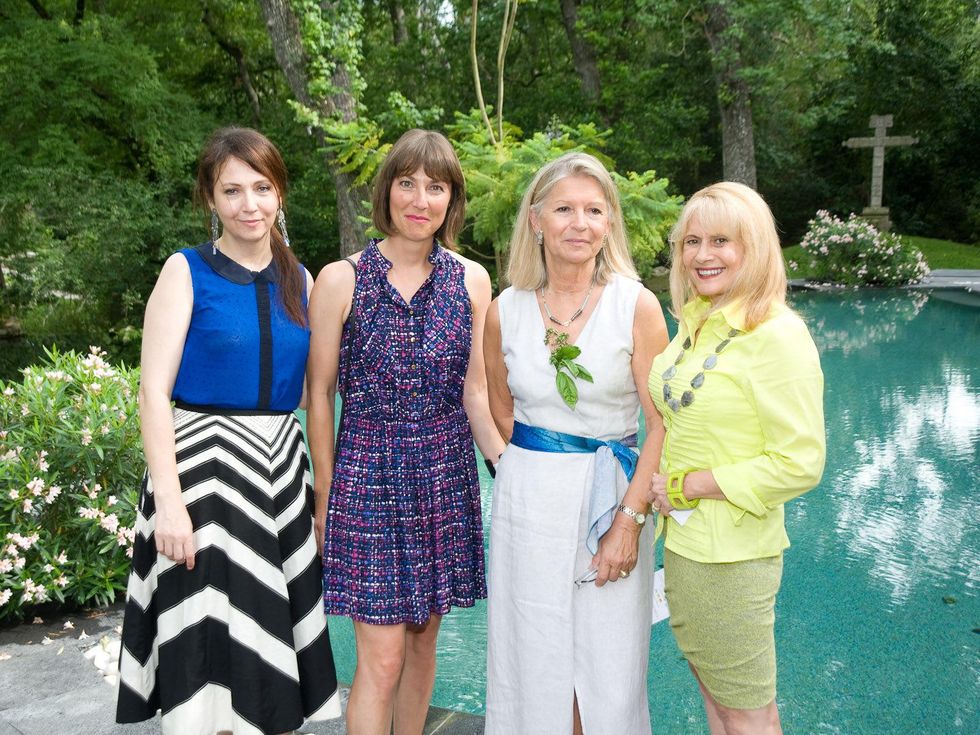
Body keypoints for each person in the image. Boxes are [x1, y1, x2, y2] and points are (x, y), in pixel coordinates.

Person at [115, 127, 341, 735]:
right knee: (209, 662)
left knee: (268, 665)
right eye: (232, 190)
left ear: (280, 194)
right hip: (202, 483)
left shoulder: (306, 283)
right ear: (210, 198)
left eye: (262, 188)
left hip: (280, 478)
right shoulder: (185, 272)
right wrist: (169, 503)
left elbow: (324, 392)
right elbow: (153, 393)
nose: (250, 205)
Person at [307, 129, 506, 735]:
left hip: (445, 480)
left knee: (423, 648)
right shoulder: (342, 279)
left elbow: (475, 391)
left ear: (452, 199)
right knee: (383, 657)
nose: (421, 198)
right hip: (367, 481)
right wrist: (325, 496)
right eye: (407, 183)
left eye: (436, 186)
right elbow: (318, 394)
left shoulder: (472, 281)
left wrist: (511, 467)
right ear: (387, 192)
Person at [483, 152, 669, 734]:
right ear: (536, 219)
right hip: (527, 506)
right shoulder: (502, 311)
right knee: (531, 655)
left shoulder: (635, 305)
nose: (579, 223)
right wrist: (544, 472)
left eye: (594, 210)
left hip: (612, 498)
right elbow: (501, 408)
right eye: (564, 208)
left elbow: (662, 422)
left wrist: (628, 520)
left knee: (607, 662)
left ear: (609, 222)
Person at [646, 181, 825, 735]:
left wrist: (692, 484)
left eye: (721, 240)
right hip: (685, 546)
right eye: (692, 241)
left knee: (748, 713)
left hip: (733, 555)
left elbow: (801, 461)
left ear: (755, 248)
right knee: (719, 703)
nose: (703, 255)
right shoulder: (697, 324)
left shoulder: (777, 335)